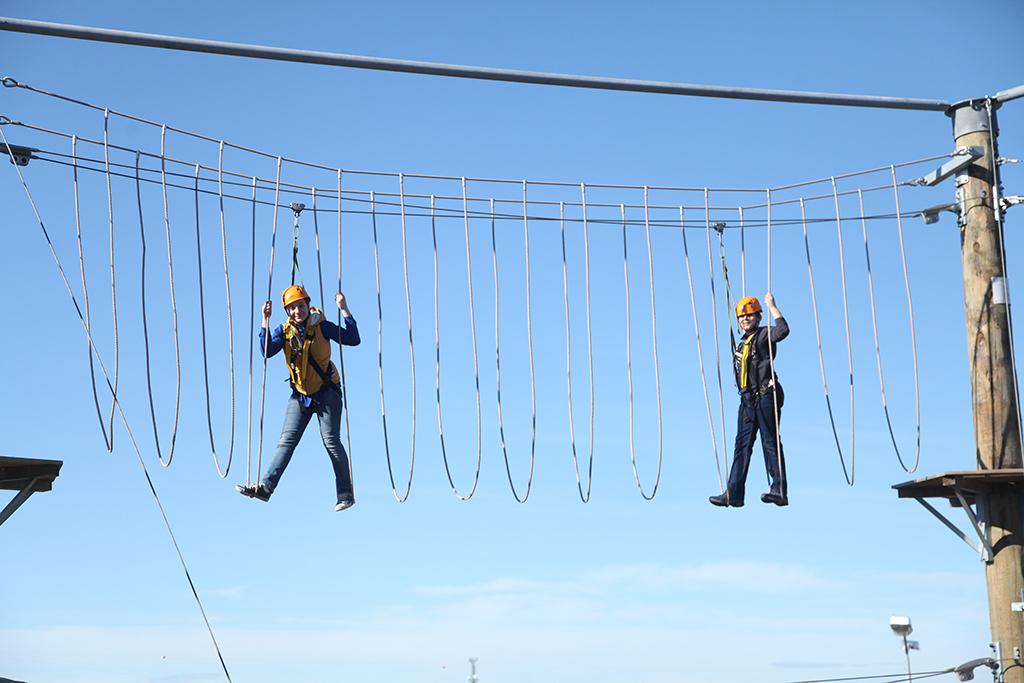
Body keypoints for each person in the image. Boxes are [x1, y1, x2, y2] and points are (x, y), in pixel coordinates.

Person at [236, 285, 361, 511]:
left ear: (307, 305)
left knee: (331, 440)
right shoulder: (283, 331)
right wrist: (265, 320)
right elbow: (266, 351)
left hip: (327, 392)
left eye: (300, 306)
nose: (297, 311)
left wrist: (344, 309)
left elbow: (353, 339)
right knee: (286, 441)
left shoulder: (322, 325)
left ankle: (345, 493)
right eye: (292, 308)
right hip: (301, 395)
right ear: (287, 311)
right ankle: (266, 487)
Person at [710, 293, 789, 508]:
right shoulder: (742, 343)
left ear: (758, 318)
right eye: (742, 317)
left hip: (766, 395)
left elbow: (783, 331)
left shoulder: (764, 335)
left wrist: (772, 306)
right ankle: (734, 493)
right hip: (747, 401)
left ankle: (779, 489)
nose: (745, 320)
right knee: (741, 446)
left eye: (750, 316)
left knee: (769, 441)